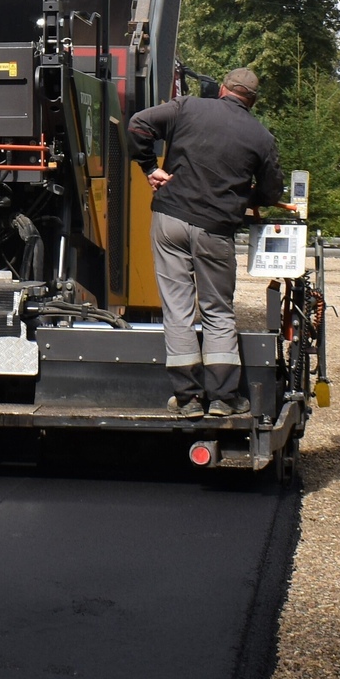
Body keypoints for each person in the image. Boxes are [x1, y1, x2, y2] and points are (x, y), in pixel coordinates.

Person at [126, 66, 283, 418]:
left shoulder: (187, 106)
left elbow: (138, 124)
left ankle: (188, 399)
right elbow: (273, 192)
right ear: (252, 102)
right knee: (217, 311)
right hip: (215, 229)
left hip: (170, 220)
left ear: (223, 89)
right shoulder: (261, 137)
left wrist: (150, 168)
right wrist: (245, 197)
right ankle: (224, 399)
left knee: (177, 309)